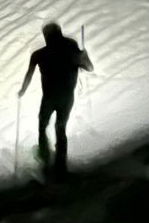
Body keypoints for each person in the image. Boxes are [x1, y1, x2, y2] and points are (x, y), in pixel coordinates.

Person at [18, 21, 94, 172]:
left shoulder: (39, 55)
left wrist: (23, 90)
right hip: (66, 99)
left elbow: (29, 74)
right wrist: (84, 56)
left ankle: (45, 158)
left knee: (42, 126)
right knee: (60, 129)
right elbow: (89, 68)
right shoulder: (71, 48)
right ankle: (61, 166)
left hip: (49, 98)